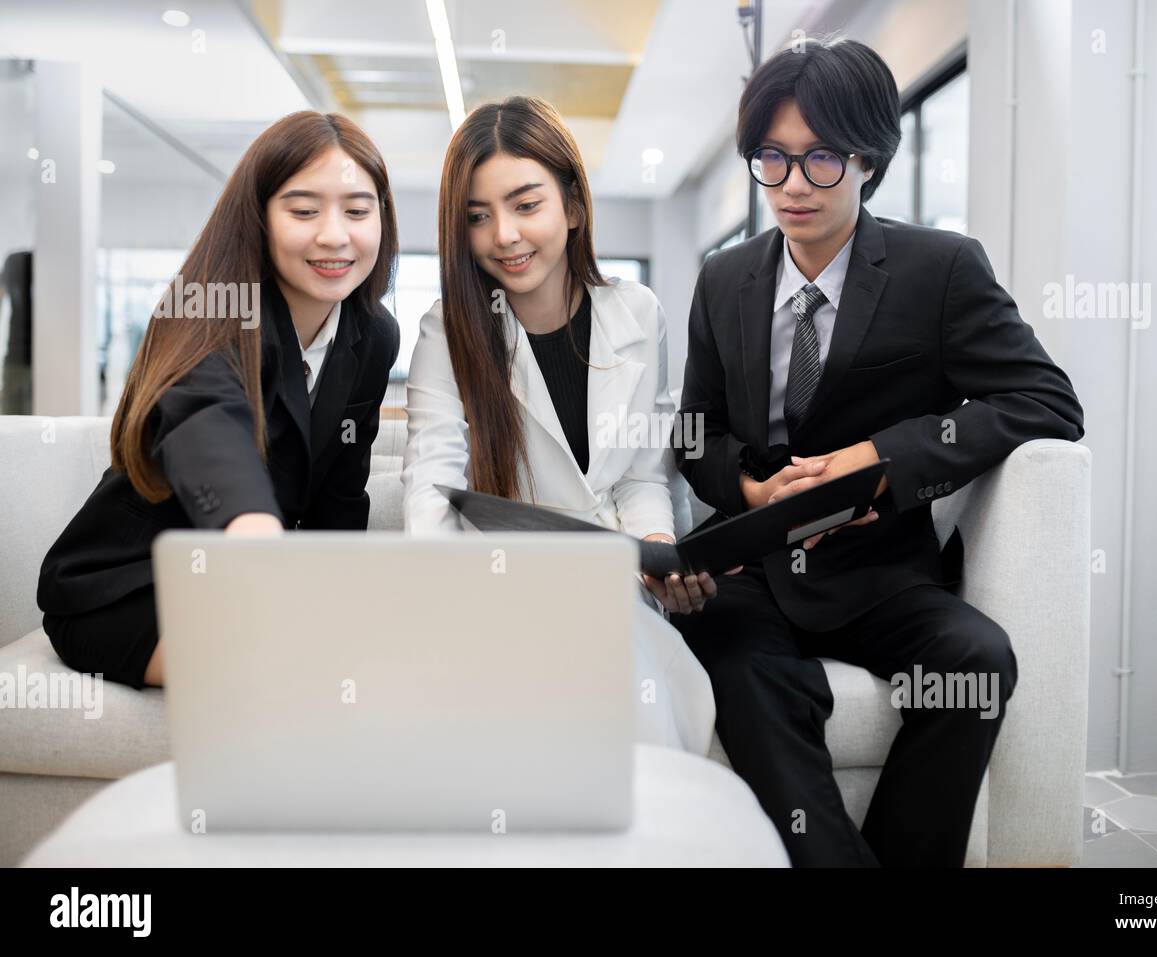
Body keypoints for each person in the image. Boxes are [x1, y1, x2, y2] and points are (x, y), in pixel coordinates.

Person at [672, 38, 1086, 866]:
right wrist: (750, 490)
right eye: (773, 159)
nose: (793, 185)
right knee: (746, 669)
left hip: (881, 571)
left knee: (978, 657)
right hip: (753, 569)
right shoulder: (725, 279)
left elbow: (1048, 401)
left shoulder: (941, 270)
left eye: (821, 158)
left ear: (869, 158)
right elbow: (694, 434)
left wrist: (880, 455)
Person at [38, 111, 402, 689]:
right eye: (304, 210)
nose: (334, 235)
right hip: (130, 586)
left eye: (358, 211)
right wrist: (252, 528)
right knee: (291, 678)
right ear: (258, 218)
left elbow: (341, 489)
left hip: (244, 581)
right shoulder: (210, 307)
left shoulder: (373, 332)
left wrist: (338, 595)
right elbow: (209, 420)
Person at [401, 96, 715, 755]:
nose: (504, 235)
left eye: (525, 204)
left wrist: (658, 544)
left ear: (572, 206)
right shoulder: (448, 330)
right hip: (502, 588)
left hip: (614, 585)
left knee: (625, 691)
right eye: (477, 217)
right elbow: (433, 475)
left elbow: (639, 475)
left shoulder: (638, 310)